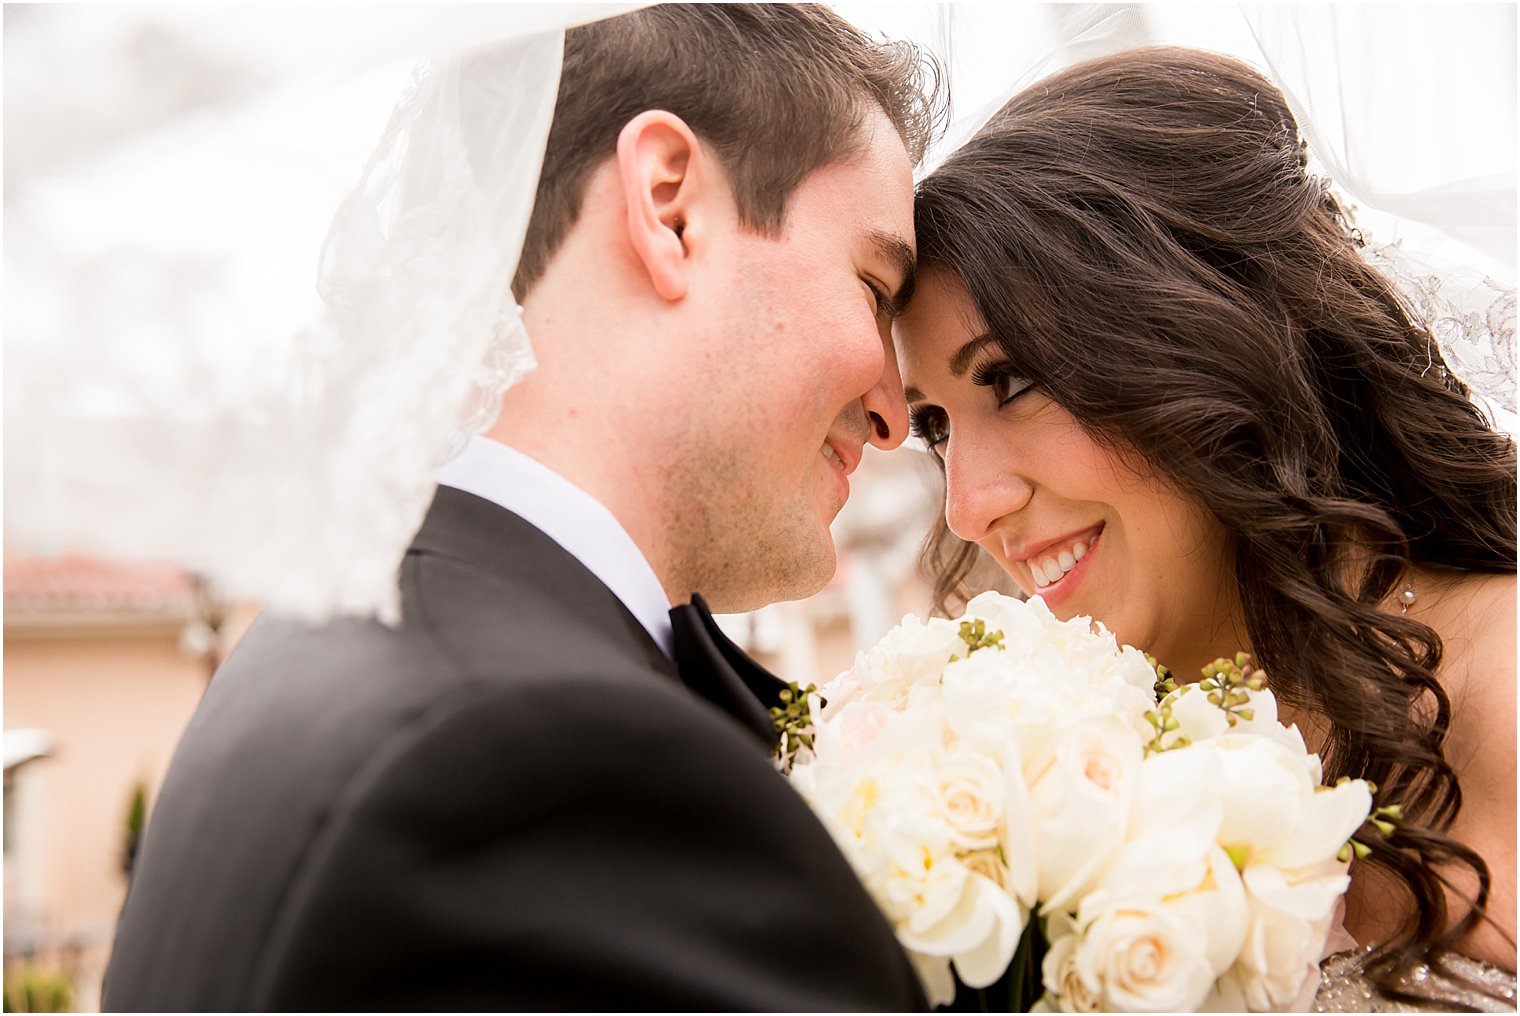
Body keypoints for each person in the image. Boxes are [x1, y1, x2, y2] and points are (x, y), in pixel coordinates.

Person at [103, 6, 942, 1010]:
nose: (894, 412)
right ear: (670, 205)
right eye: (874, 286)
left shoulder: (310, 639)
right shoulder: (556, 764)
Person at [894, 47, 1516, 1010]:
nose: (967, 506)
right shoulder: (1085, 787)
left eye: (1013, 382)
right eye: (935, 427)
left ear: (1201, 343)